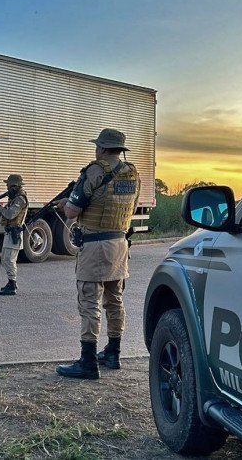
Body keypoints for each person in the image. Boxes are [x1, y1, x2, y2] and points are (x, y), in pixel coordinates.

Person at [54, 129, 140, 379]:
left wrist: (65, 204)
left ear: (101, 148)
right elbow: (131, 208)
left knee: (90, 302)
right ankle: (113, 353)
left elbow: (72, 212)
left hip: (95, 245)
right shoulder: (133, 173)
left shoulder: (94, 171)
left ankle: (88, 362)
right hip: (120, 244)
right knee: (115, 300)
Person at [0, 174, 29, 295]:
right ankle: (11, 281)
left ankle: (12, 285)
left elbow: (10, 214)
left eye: (8, 185)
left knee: (9, 260)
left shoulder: (20, 199)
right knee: (5, 259)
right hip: (10, 231)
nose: (7, 187)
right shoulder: (14, 198)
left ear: (15, 186)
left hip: (14, 232)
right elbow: (6, 214)